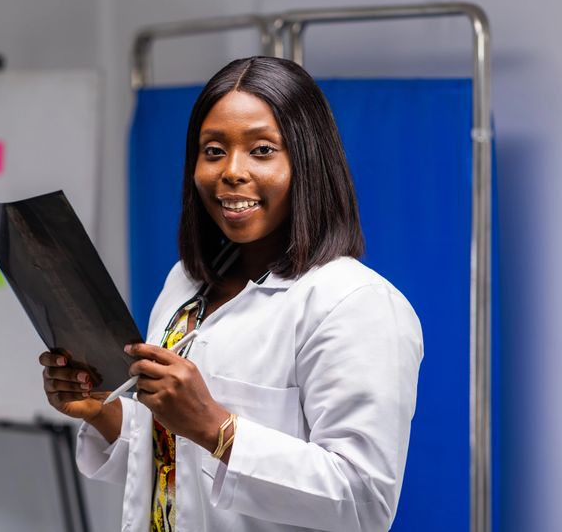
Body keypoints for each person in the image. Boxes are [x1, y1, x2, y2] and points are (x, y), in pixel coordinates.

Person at [39, 56, 423, 532]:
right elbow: (172, 466)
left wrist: (215, 427)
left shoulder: (353, 303)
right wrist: (104, 413)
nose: (231, 172)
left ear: (307, 160)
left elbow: (363, 501)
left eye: (262, 150)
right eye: (214, 150)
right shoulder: (185, 285)